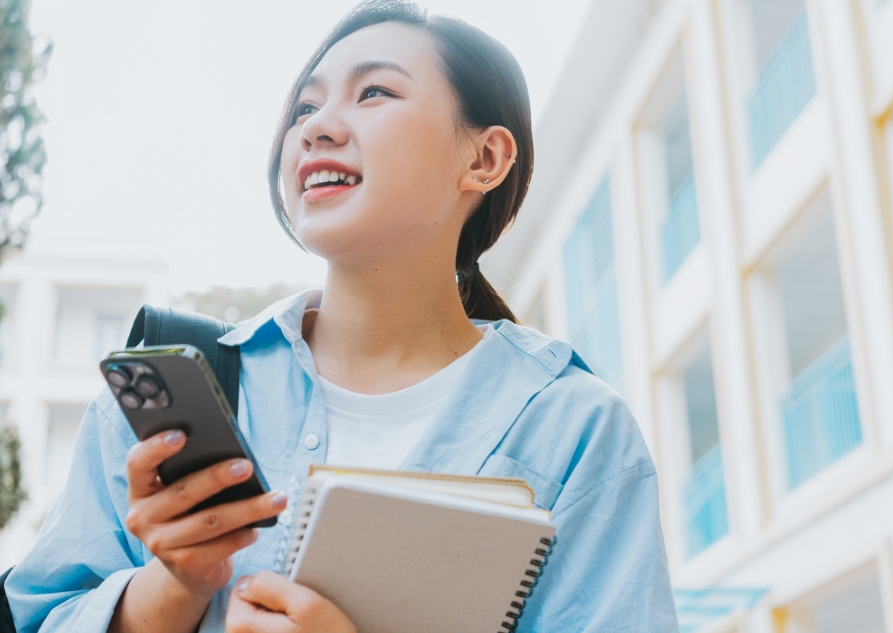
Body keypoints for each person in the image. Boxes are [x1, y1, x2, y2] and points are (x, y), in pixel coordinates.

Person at [4, 1, 678, 632]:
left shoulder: (573, 430)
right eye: (304, 105)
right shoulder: (163, 403)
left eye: (374, 92)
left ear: (483, 158)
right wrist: (174, 582)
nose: (316, 126)